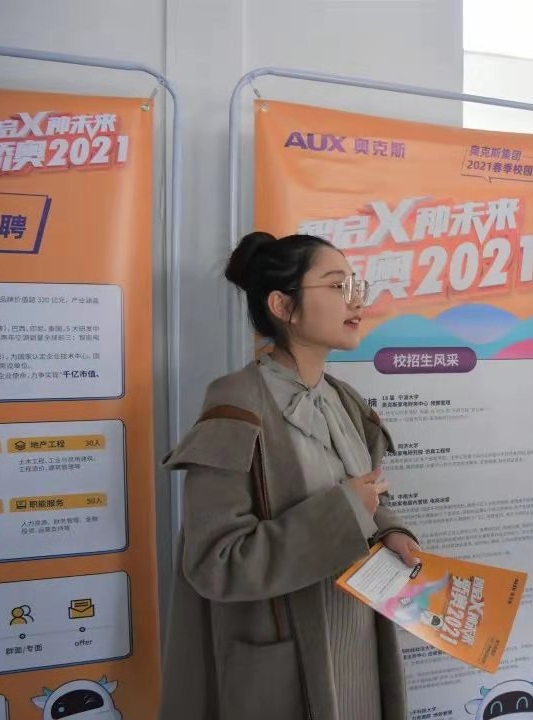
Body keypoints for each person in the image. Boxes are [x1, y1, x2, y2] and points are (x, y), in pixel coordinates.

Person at [157, 232, 421, 720]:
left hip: (361, 648)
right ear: (283, 305)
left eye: (355, 286)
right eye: (337, 286)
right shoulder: (236, 405)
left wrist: (391, 530)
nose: (356, 301)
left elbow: (367, 496)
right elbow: (217, 561)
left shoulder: (344, 401)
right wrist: (344, 512)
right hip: (290, 666)